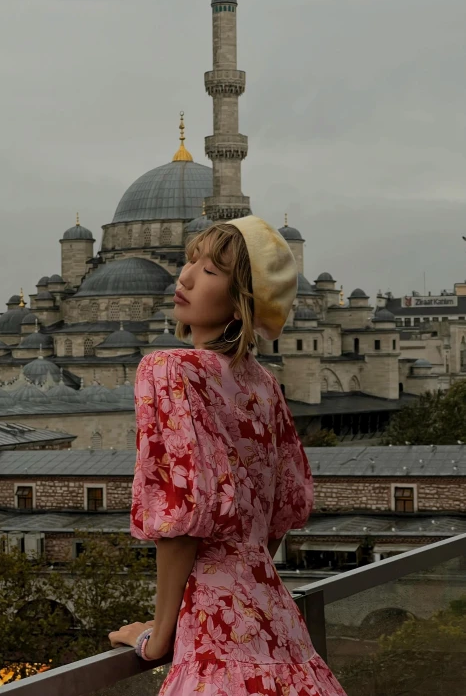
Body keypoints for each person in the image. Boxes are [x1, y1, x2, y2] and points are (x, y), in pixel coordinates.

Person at [109, 216, 347, 695]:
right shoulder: (265, 385)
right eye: (189, 260)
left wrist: (158, 637)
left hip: (215, 624)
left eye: (211, 271)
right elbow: (281, 512)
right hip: (275, 618)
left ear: (241, 303)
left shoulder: (170, 369)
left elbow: (180, 524)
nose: (186, 277)